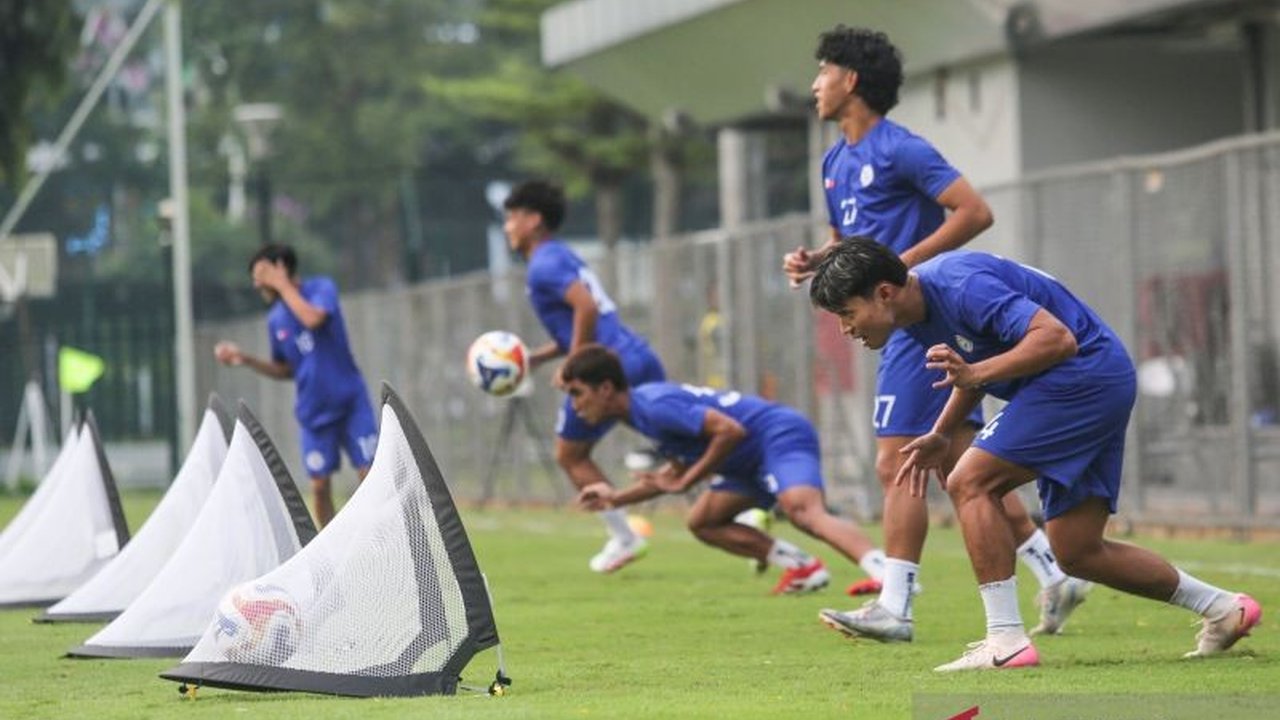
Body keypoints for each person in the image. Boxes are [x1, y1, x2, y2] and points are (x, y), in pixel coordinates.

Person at [809, 237, 1262, 670]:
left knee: (969, 481)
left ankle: (1005, 641)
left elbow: (1055, 339)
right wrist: (942, 433)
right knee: (1078, 552)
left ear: (884, 293)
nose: (846, 329)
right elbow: (974, 370)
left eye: (847, 314)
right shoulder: (918, 310)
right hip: (1096, 379)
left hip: (1080, 379)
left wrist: (976, 374)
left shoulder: (961, 286)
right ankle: (1223, 608)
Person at [782, 25, 1087, 641]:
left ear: (851, 80)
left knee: (896, 460)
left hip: (908, 319)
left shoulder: (901, 149)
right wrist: (821, 259)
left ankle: (896, 605)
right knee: (956, 462)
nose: (813, 84)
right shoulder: (834, 160)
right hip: (886, 311)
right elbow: (850, 241)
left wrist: (901, 267)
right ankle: (1052, 568)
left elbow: (975, 210)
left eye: (822, 71)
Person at [564, 345, 889, 594]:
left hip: (776, 435)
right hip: (743, 459)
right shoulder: (639, 414)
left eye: (577, 393)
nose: (574, 405)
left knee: (802, 511)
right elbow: (675, 474)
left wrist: (688, 479)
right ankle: (803, 567)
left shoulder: (653, 406)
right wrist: (615, 498)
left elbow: (729, 430)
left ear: (605, 388)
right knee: (703, 522)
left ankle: (887, 576)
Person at [503, 180, 666, 573]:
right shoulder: (559, 256)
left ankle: (625, 538)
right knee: (690, 439)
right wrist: (538, 357)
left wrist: (575, 365)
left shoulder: (543, 264)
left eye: (512, 217)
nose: (508, 226)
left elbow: (587, 309)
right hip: (635, 355)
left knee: (570, 454)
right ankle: (759, 499)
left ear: (534, 220)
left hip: (608, 368)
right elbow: (581, 319)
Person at [213, 244, 377, 527]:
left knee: (370, 475)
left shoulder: (321, 289)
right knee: (319, 486)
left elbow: (313, 319)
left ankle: (383, 541)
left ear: (280, 268)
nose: (256, 283)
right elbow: (287, 369)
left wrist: (282, 284)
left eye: (261, 273)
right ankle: (329, 555)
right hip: (314, 413)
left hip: (350, 402)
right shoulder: (276, 319)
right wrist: (247, 359)